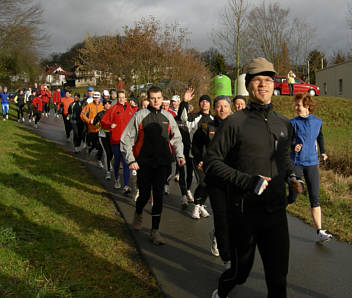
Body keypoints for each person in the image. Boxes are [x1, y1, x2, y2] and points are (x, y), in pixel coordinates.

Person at [205, 57, 304, 298]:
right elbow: (211, 161)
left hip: (276, 213)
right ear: (248, 85)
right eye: (257, 80)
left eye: (268, 80)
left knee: (278, 279)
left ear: (274, 85)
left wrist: (292, 177)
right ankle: (223, 290)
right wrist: (246, 181)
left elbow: (284, 160)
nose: (263, 85)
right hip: (244, 213)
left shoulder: (284, 124)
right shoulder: (234, 123)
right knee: (240, 273)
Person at [120, 86, 185, 245]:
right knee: (143, 196)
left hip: (162, 163)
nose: (156, 101)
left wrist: (180, 155)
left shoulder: (168, 117)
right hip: (144, 163)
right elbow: (126, 139)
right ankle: (139, 211)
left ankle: (155, 231)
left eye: (159, 98)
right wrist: (131, 160)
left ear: (163, 98)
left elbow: (176, 138)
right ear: (148, 99)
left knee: (158, 196)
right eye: (153, 98)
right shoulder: (139, 116)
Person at [192, 95, 232, 265]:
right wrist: (200, 158)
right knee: (221, 215)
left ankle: (218, 235)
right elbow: (195, 145)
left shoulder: (236, 125)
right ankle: (225, 254)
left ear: (230, 108)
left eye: (225, 106)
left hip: (232, 176)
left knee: (231, 216)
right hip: (214, 177)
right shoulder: (206, 127)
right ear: (214, 109)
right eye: (219, 106)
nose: (222, 109)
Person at [288, 93, 332, 243]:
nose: (295, 107)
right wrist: (294, 145)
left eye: (298, 105)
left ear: (307, 106)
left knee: (315, 198)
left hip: (312, 163)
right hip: (297, 163)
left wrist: (323, 151)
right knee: (293, 197)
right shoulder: (293, 122)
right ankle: (278, 208)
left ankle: (320, 231)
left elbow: (320, 136)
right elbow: (287, 141)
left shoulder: (317, 122)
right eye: (296, 105)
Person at [177, 89, 214, 208]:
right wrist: (185, 102)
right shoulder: (193, 117)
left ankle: (200, 204)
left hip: (210, 156)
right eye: (202, 101)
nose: (204, 103)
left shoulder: (214, 119)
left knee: (207, 182)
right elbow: (182, 118)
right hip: (194, 154)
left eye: (207, 101)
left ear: (210, 104)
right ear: (199, 104)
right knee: (198, 179)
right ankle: (189, 197)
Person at [101, 89, 136, 193]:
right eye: (119, 97)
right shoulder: (112, 109)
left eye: (123, 97)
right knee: (117, 161)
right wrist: (109, 125)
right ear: (117, 98)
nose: (121, 99)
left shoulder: (131, 110)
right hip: (116, 140)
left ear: (126, 98)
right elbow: (103, 121)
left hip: (127, 141)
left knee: (126, 162)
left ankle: (125, 185)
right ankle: (116, 179)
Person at [81, 91, 104, 168]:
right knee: (94, 144)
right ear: (93, 98)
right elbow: (82, 114)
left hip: (101, 129)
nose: (96, 99)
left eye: (97, 97)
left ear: (100, 98)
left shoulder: (103, 106)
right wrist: (88, 121)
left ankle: (99, 160)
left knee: (101, 146)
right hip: (92, 129)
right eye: (95, 97)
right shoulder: (89, 105)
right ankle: (89, 150)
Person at [94, 98, 113, 179]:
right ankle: (108, 172)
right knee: (107, 153)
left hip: (112, 136)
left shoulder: (113, 113)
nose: (108, 105)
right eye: (106, 103)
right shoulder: (100, 114)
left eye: (109, 103)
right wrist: (100, 124)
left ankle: (109, 164)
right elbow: (95, 124)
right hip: (103, 136)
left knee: (111, 153)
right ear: (103, 105)